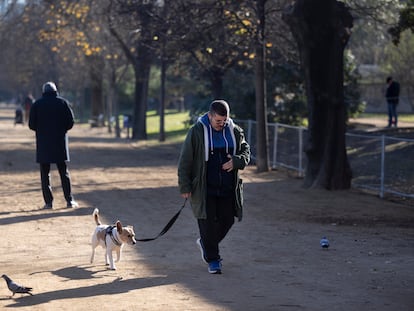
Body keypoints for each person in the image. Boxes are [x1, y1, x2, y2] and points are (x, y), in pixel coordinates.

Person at [177, 99, 250, 274]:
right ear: (210, 116)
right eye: (218, 121)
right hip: (203, 188)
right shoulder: (196, 132)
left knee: (227, 220)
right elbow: (185, 160)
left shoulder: (235, 131)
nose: (222, 124)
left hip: (227, 187)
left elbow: (246, 151)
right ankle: (214, 260)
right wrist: (184, 185)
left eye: (224, 120)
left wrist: (236, 161)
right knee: (207, 224)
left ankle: (206, 243)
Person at [29, 81, 78, 209]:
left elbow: (31, 125)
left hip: (43, 143)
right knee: (64, 172)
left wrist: (42, 131)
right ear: (55, 91)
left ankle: (48, 202)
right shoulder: (62, 103)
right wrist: (62, 130)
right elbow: (70, 122)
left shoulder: (37, 104)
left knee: (45, 174)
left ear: (43, 92)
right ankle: (69, 200)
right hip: (59, 142)